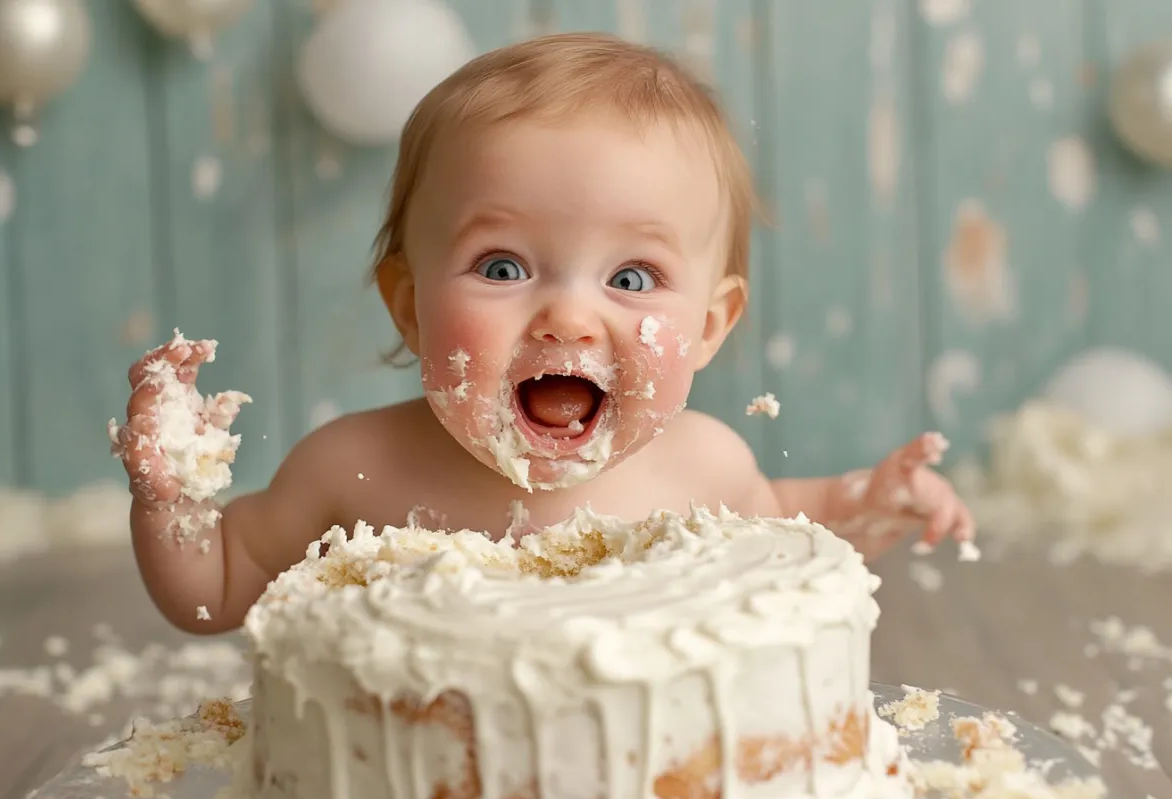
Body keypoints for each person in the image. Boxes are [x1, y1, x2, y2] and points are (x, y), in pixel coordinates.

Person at [109, 32, 975, 634]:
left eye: (631, 279)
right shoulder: (349, 472)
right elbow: (211, 595)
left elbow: (797, 522)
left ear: (710, 327)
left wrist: (870, 503)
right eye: (502, 267)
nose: (567, 316)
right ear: (408, 305)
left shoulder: (704, 468)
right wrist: (171, 499)